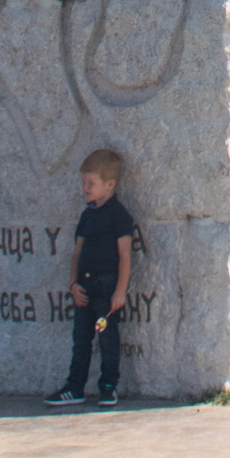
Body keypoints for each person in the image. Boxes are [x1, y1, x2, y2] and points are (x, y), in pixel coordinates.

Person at [45, 148, 135, 407]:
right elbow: (77, 252)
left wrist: (120, 291)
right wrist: (72, 284)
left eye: (91, 183)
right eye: (83, 182)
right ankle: (75, 387)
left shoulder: (119, 216)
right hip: (84, 288)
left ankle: (108, 387)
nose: (85, 188)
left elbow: (125, 256)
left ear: (110, 184)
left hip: (107, 289)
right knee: (81, 338)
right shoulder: (87, 215)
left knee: (106, 337)